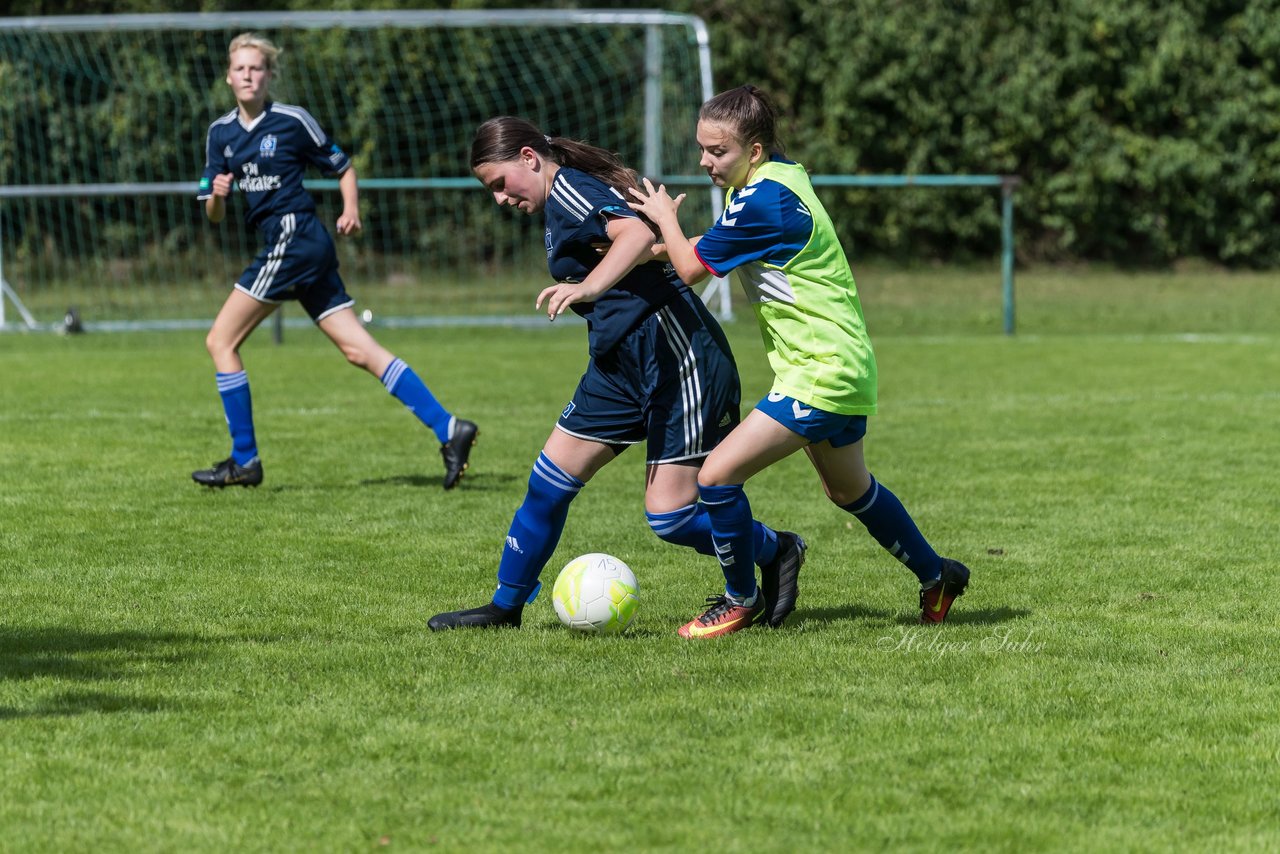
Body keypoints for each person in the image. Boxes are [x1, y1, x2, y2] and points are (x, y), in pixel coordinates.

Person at [427, 116, 804, 637]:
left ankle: (775, 547)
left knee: (669, 517)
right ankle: (505, 607)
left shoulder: (571, 190)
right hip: (617, 366)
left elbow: (636, 232)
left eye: (499, 183)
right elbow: (641, 245)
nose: (498, 198)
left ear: (529, 159)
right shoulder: (562, 199)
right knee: (547, 485)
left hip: (677, 360)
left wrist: (587, 288)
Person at [629, 85, 971, 629]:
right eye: (702, 148)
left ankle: (740, 599)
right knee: (848, 490)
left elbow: (692, 270)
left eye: (718, 151)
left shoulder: (765, 198)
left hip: (821, 372)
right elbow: (717, 241)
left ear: (755, 150)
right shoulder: (778, 179)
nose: (704, 161)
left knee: (715, 479)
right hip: (839, 365)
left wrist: (662, 220)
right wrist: (650, 248)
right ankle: (937, 575)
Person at [193, 32, 476, 490]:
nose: (248, 76)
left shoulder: (291, 121)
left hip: (294, 238)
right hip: (298, 248)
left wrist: (351, 209)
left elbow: (342, 167)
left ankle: (245, 460)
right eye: (240, 69)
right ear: (229, 77)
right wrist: (218, 198)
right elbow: (212, 210)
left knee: (220, 341)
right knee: (358, 349)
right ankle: (450, 429)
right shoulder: (220, 134)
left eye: (257, 68)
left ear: (269, 75)